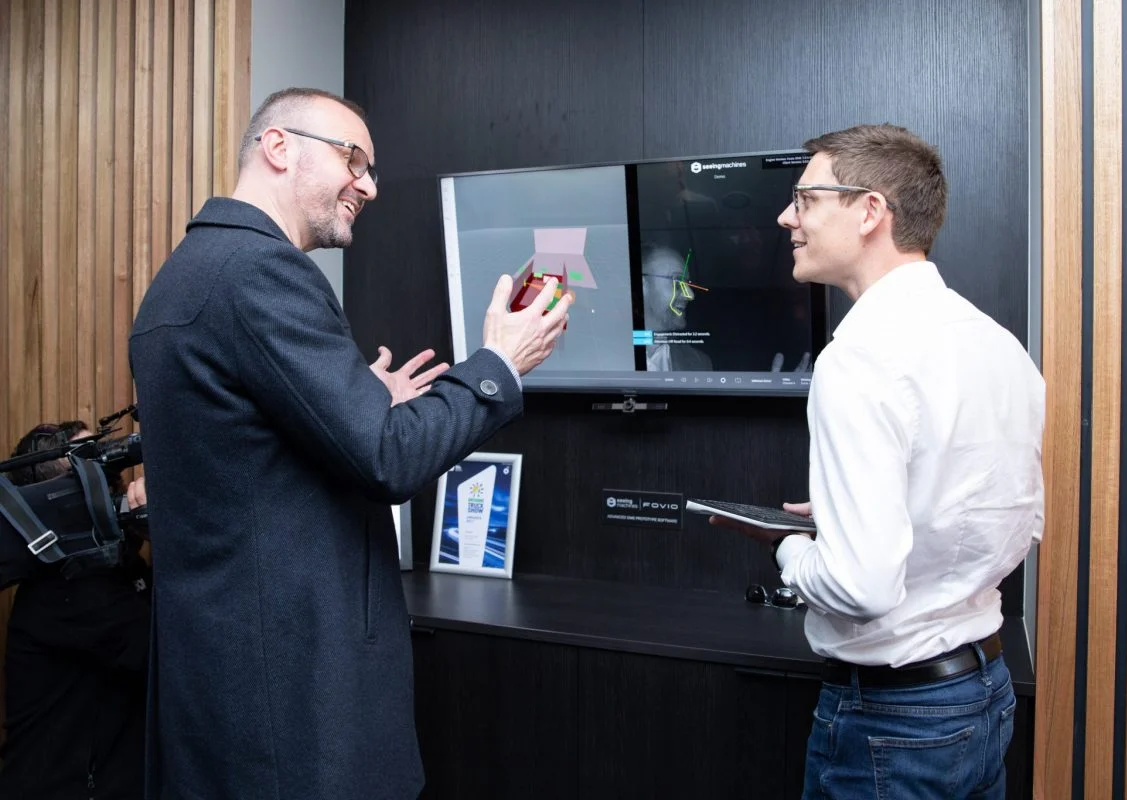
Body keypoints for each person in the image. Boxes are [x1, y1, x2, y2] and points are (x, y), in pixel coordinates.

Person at [128, 87, 570, 800]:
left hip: (224, 688)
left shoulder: (188, 273)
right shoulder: (261, 272)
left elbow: (252, 451)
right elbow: (389, 458)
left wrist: (363, 405)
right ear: (278, 147)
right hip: (292, 706)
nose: (368, 184)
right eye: (353, 159)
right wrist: (497, 364)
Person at [711, 124, 1044, 798]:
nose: (785, 217)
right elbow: (997, 511)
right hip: (984, 695)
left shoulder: (859, 358)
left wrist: (796, 550)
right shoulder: (998, 344)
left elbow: (860, 589)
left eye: (804, 200)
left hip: (895, 719)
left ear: (869, 211)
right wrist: (857, 513)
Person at [0, 421, 151, 800]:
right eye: (96, 477)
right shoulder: (67, 591)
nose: (114, 485)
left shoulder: (109, 567)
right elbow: (168, 656)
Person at [641, 244, 712, 371]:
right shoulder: (600, 354)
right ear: (642, 286)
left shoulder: (700, 363)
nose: (690, 295)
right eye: (678, 282)